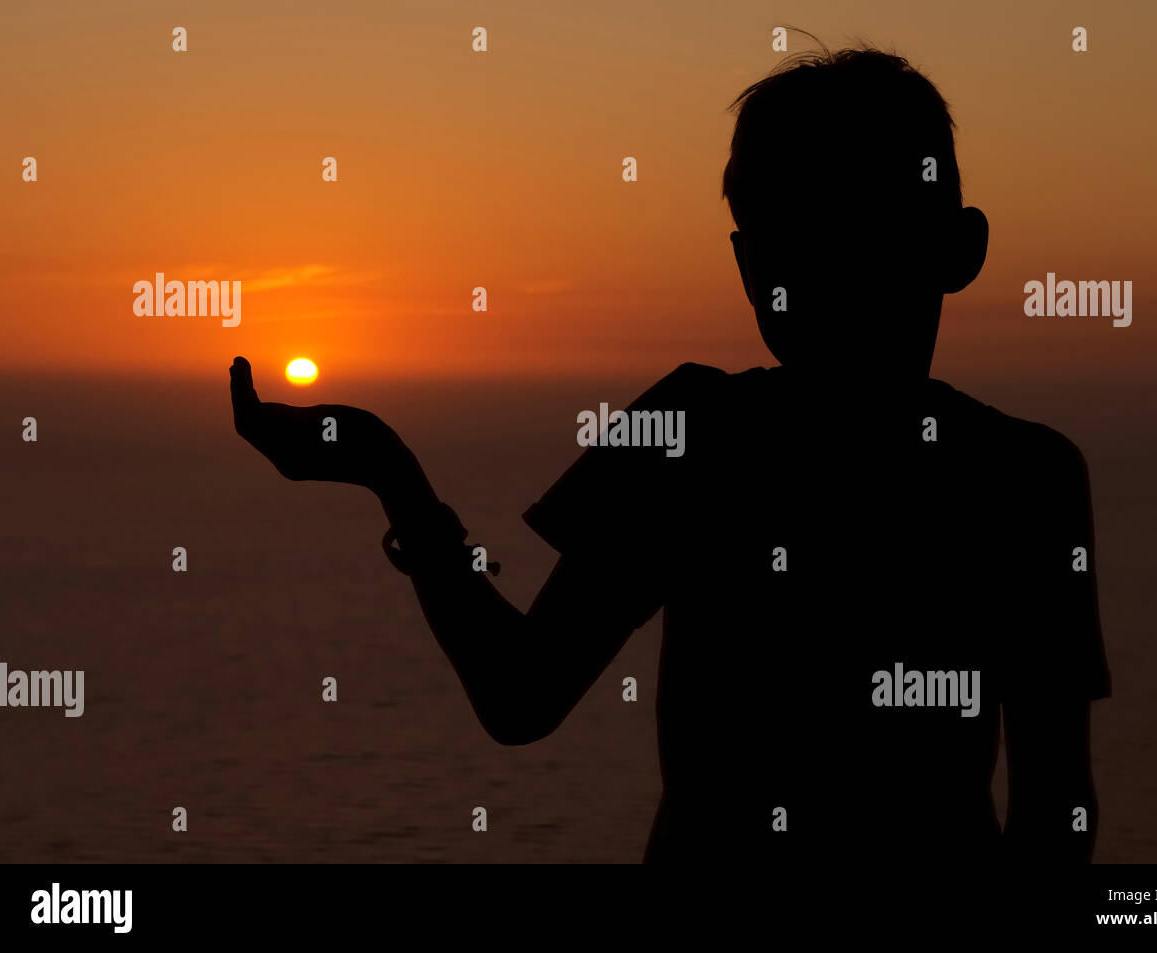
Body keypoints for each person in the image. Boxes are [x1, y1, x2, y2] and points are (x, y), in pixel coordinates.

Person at [231, 43, 1110, 864]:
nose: (812, 279)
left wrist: (400, 488)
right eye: (789, 248)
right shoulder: (1022, 475)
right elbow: (1056, 809)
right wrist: (394, 477)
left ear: (956, 251)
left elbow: (521, 696)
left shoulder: (694, 432)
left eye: (850, 237)